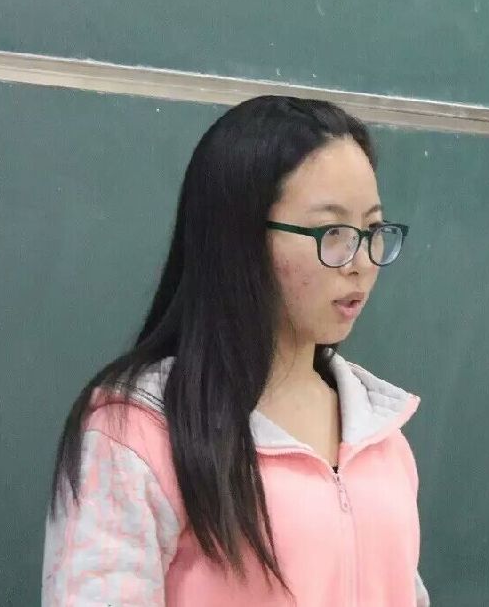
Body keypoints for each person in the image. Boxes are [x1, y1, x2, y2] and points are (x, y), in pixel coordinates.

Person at [43, 95, 428, 605]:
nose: (361, 262)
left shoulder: (379, 436)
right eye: (333, 232)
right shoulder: (141, 431)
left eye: (373, 230)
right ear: (241, 238)